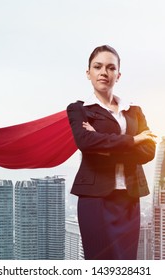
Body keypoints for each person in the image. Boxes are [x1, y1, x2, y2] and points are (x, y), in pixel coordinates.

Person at [66, 45, 157, 260]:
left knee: (126, 265)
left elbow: (149, 151)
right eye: (97, 67)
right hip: (95, 199)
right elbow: (86, 143)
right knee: (99, 262)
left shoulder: (134, 111)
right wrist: (133, 140)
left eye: (110, 67)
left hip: (129, 198)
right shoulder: (78, 109)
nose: (104, 72)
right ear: (88, 73)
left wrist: (105, 146)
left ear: (118, 74)